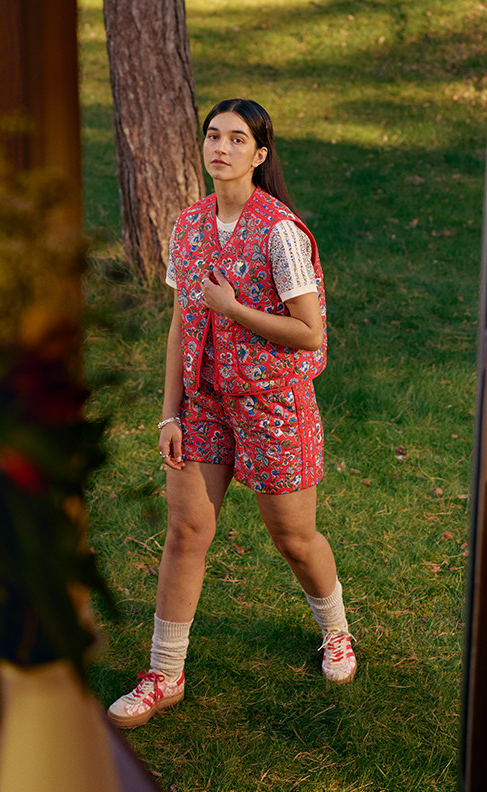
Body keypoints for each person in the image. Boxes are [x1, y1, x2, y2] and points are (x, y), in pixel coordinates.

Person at [107, 99, 356, 729]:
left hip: (274, 404)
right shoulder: (187, 226)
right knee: (187, 532)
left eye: (237, 139)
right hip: (205, 404)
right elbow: (180, 324)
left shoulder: (280, 232)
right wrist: (170, 414)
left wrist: (233, 307)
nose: (221, 147)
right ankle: (165, 674)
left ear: (260, 154)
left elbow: (309, 333)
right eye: (213, 136)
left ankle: (336, 632)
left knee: (294, 539)